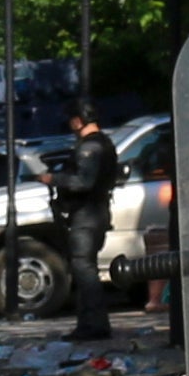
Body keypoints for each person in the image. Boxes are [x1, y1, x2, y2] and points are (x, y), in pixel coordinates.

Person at [44, 100, 121, 342]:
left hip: (87, 214)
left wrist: (52, 178)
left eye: (71, 119)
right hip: (95, 212)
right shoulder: (104, 144)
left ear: (78, 120)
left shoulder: (90, 148)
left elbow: (82, 181)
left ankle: (94, 325)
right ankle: (88, 323)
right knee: (83, 267)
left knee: (83, 267)